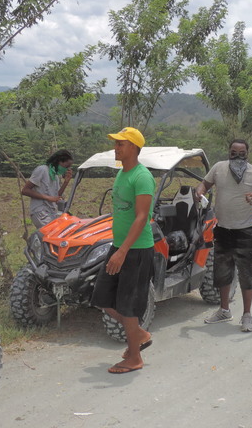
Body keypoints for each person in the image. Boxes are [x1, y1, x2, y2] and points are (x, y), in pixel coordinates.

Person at [195, 139, 252, 332]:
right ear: (229, 152)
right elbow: (204, 185)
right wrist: (199, 193)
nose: (237, 156)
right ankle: (224, 310)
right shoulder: (218, 168)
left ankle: (247, 315)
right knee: (222, 272)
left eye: (242, 153)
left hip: (246, 231)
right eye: (234, 152)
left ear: (247, 154)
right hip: (223, 229)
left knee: (247, 274)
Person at [91, 127, 155, 374]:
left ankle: (135, 358)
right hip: (120, 247)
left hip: (136, 250)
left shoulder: (142, 177)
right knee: (103, 299)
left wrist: (123, 251)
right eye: (116, 144)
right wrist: (117, 249)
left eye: (121, 144)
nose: (115, 148)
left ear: (134, 148)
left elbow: (142, 217)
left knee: (128, 306)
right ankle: (139, 334)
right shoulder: (122, 174)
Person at [21, 149, 74, 229]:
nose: (66, 169)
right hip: (40, 211)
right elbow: (25, 190)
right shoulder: (42, 170)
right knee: (52, 233)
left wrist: (66, 182)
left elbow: (56, 196)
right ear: (59, 161)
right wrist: (48, 198)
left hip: (51, 212)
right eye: (66, 166)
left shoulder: (55, 176)